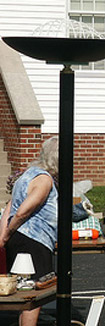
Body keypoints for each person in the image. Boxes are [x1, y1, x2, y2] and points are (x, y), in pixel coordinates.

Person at [0, 137, 59, 326]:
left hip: (20, 238)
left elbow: (9, 206)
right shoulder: (44, 179)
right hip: (35, 240)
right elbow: (23, 210)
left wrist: (3, 235)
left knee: (23, 291)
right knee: (34, 294)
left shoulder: (26, 175)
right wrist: (8, 232)